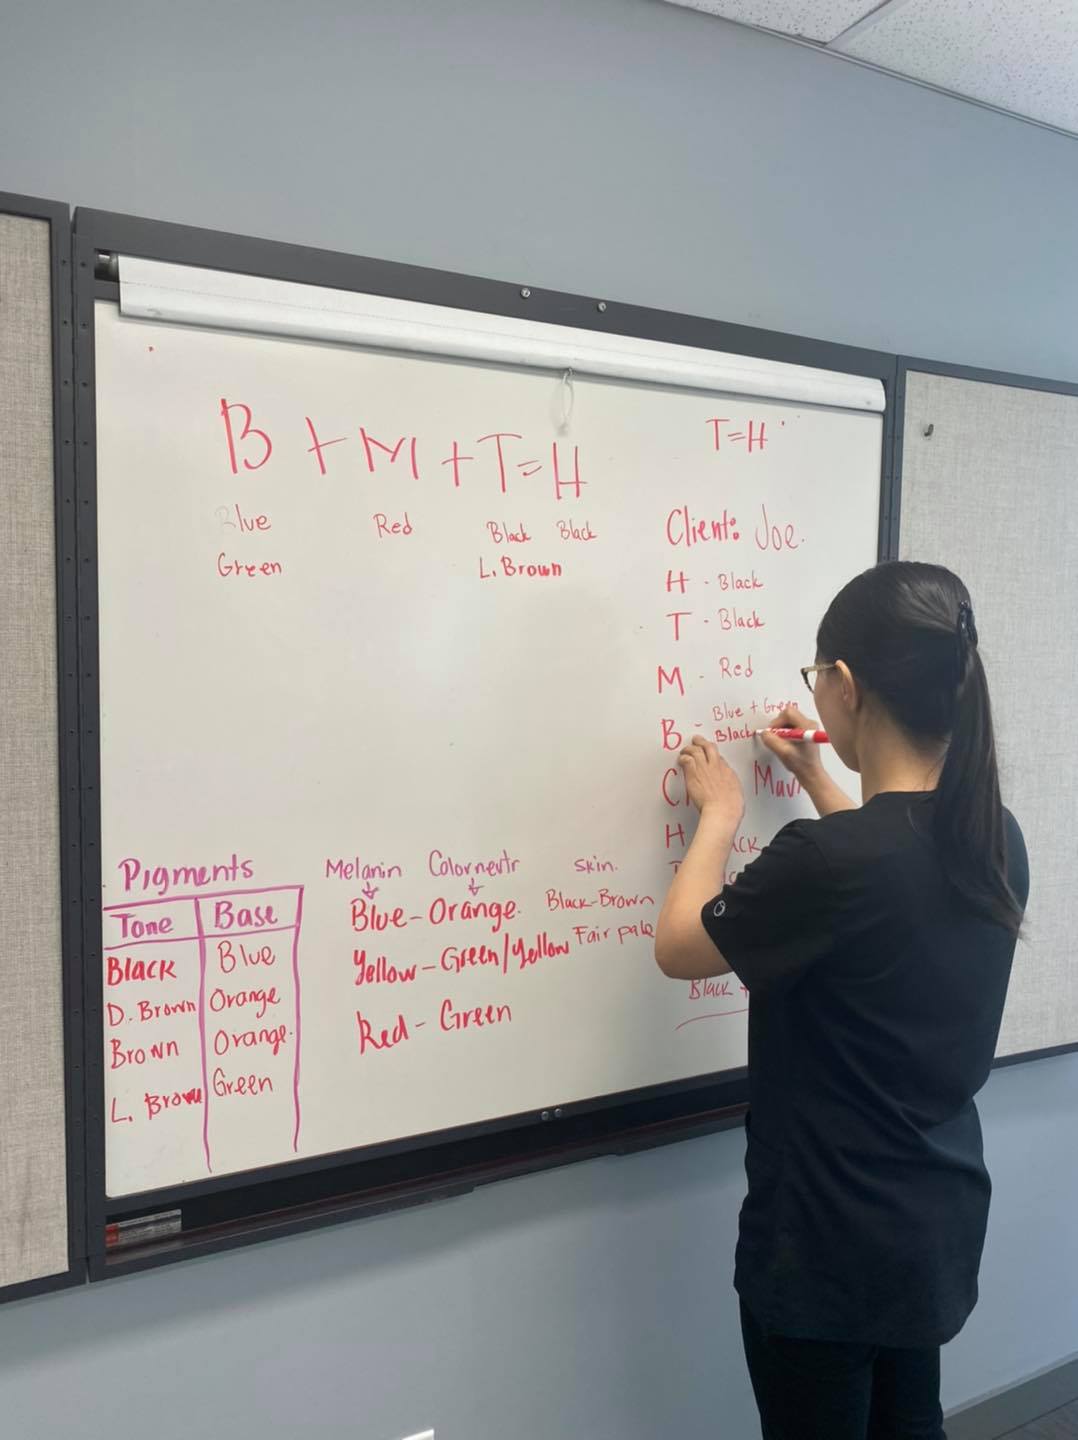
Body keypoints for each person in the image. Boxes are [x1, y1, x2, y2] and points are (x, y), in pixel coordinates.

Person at [654, 561, 1028, 1440]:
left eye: (816, 676)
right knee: (910, 1426)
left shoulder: (828, 863)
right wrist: (821, 783)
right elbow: (883, 862)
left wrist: (718, 815)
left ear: (845, 687)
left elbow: (680, 948)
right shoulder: (992, 835)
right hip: (928, 1228)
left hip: (822, 1249)